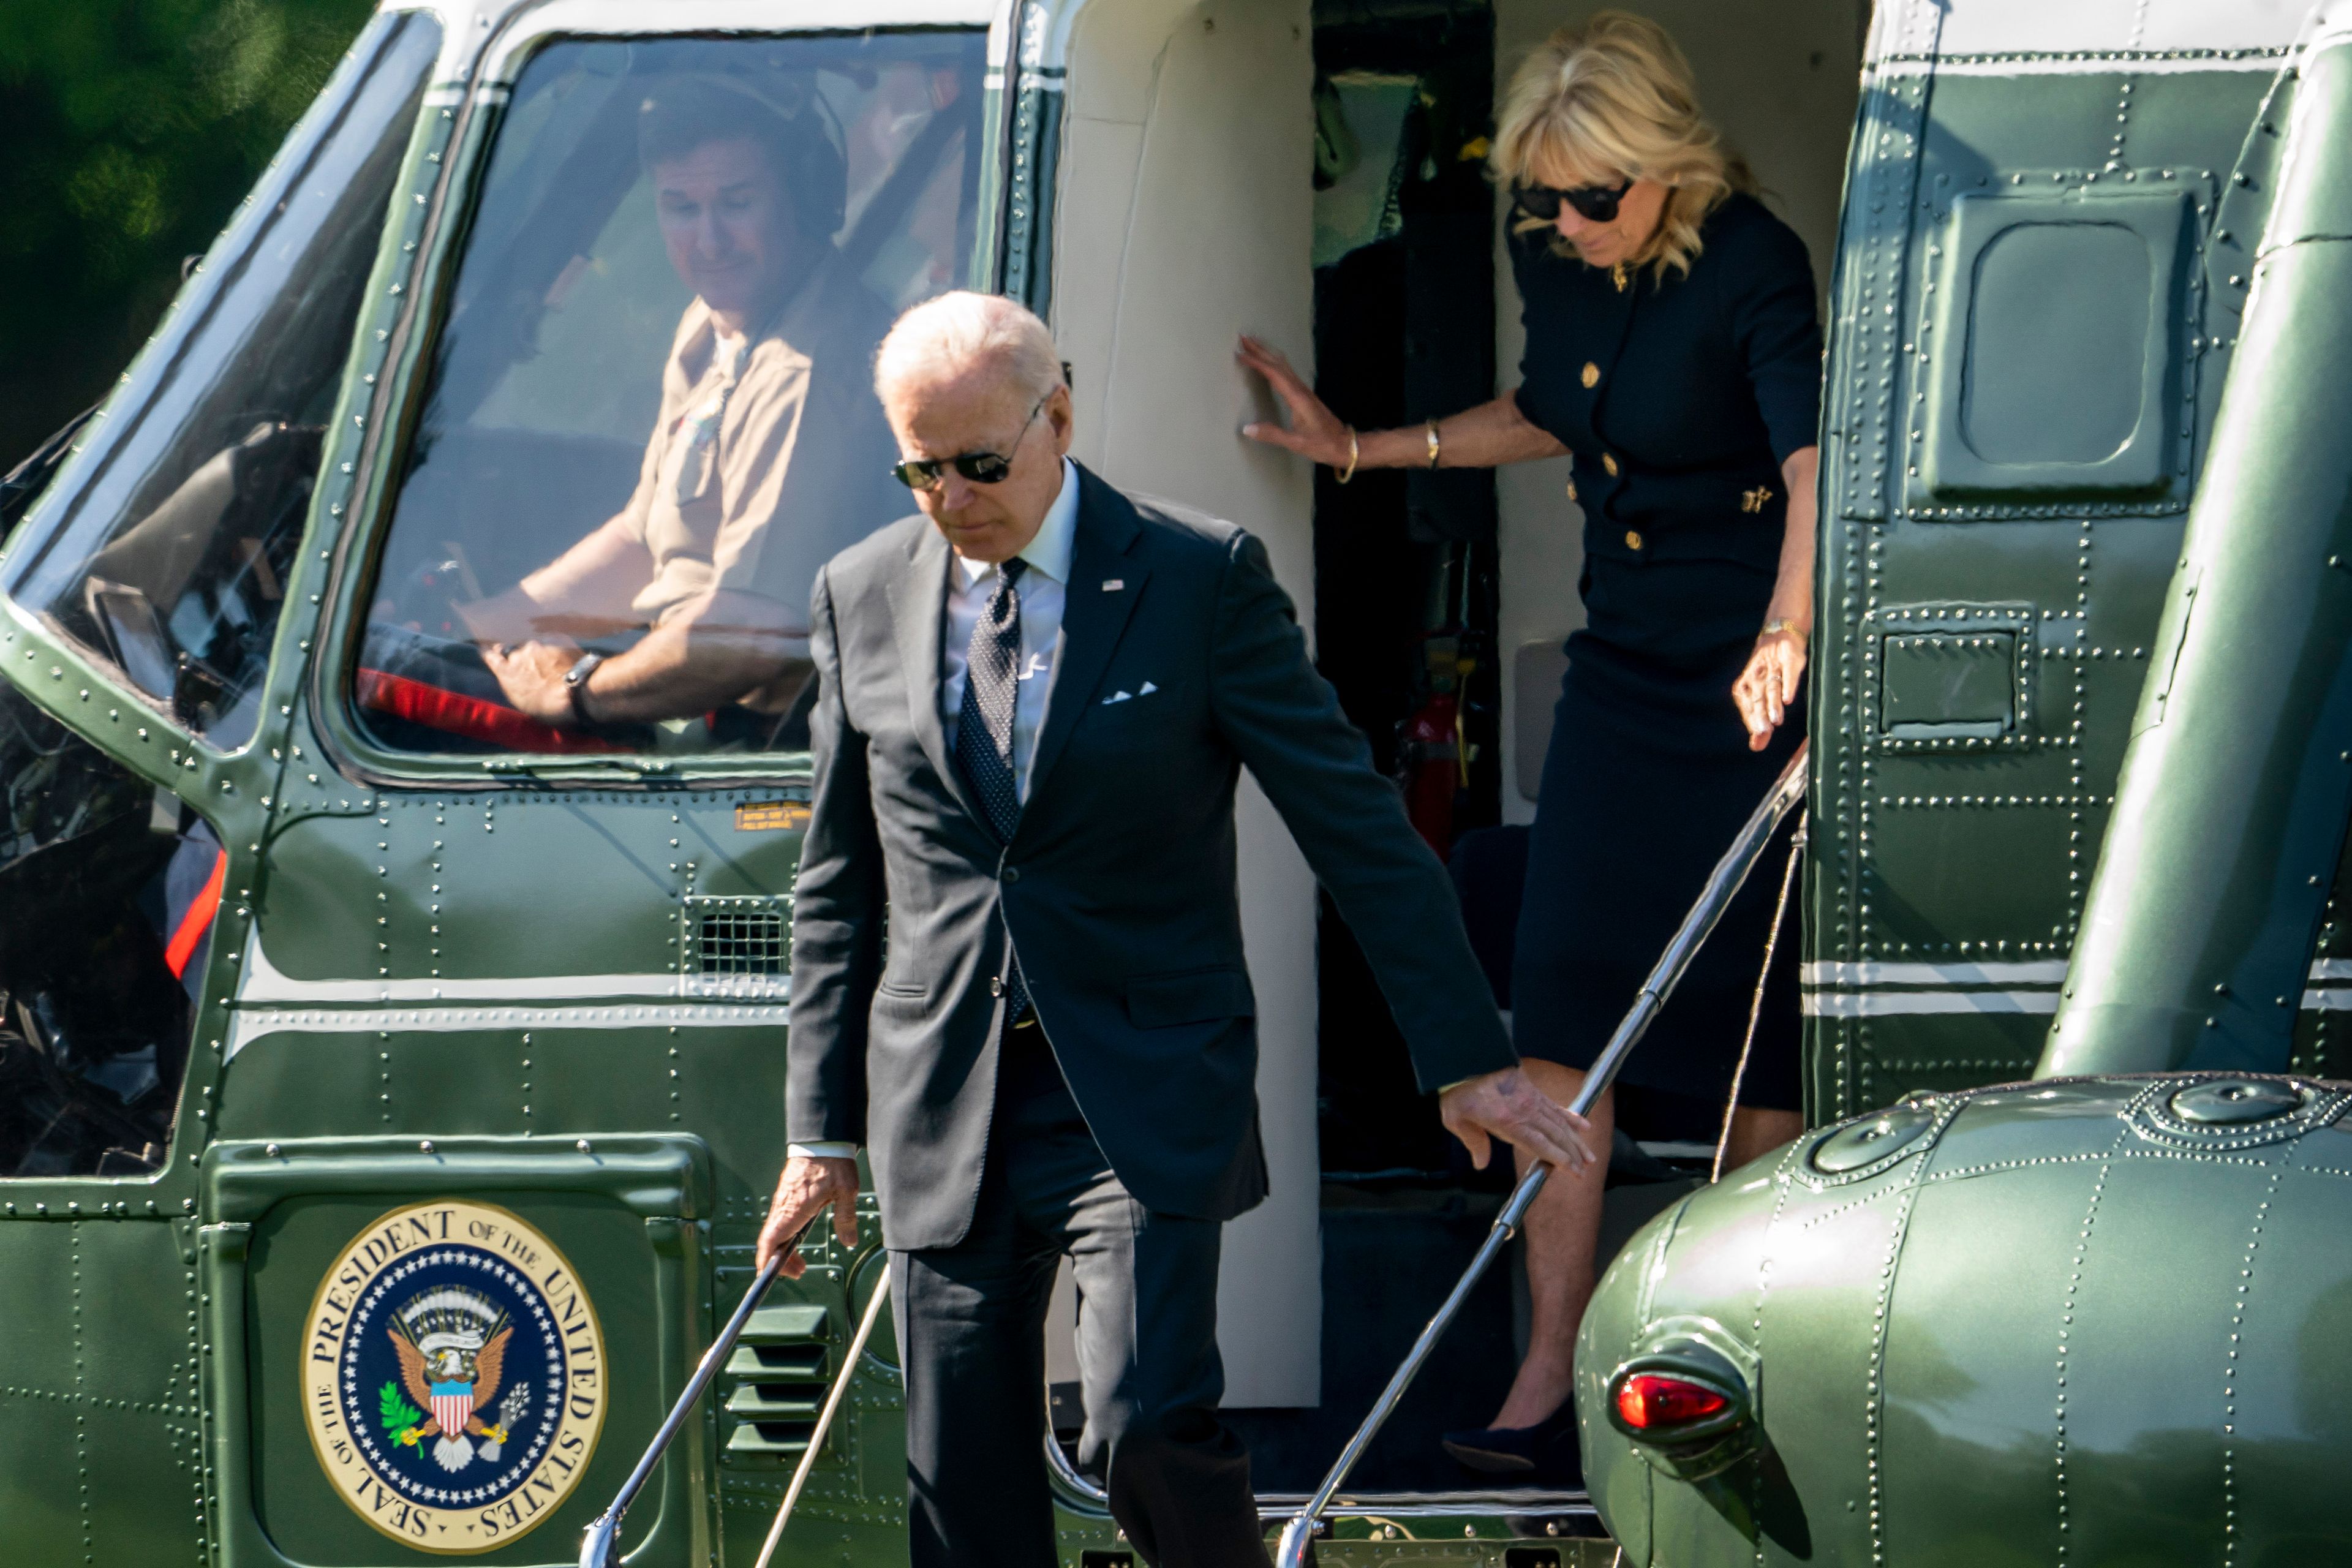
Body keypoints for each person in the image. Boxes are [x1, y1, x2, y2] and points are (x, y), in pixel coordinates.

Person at [756, 291, 1593, 1568]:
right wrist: (818, 1130)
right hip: (944, 1096)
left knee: (1141, 1423)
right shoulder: (858, 593)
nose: (950, 495)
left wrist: (1463, 1052)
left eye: (980, 463)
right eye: (918, 467)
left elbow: (1354, 823)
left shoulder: (1198, 579)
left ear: (1061, 416)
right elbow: (837, 882)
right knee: (958, 1481)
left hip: (1137, 1088)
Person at [1238, 10, 1820, 1479]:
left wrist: (1785, 633)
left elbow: (1813, 462)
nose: (1563, 223)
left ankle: (1721, 1364)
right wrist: (1370, 448)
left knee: (1752, 1051)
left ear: (1667, 169)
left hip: (1745, 674)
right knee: (1560, 1015)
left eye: (1591, 196)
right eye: (1541, 198)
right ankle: (1543, 1378)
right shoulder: (1555, 250)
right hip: (1624, 672)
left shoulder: (1753, 259)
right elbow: (1548, 407)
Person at [360, 77, 902, 750]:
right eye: (680, 207)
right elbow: (643, 538)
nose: (709, 240)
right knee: (396, 652)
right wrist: (479, 626)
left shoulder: (809, 367)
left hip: (742, 736)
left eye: (737, 203)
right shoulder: (719, 322)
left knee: (368, 685)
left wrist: (575, 692)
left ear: (806, 199)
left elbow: (754, 634)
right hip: (681, 690)